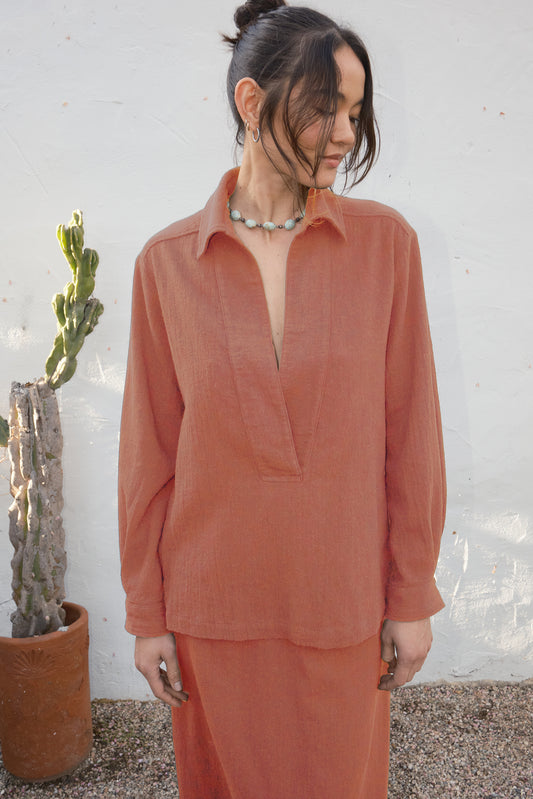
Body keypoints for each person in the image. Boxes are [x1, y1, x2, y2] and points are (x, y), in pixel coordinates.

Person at [118, 1, 446, 796]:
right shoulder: (166, 264)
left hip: (341, 603)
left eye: (355, 112)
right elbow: (148, 456)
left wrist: (410, 594)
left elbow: (412, 435)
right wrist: (147, 614)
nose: (345, 134)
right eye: (326, 108)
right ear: (251, 102)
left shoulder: (385, 247)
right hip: (211, 612)